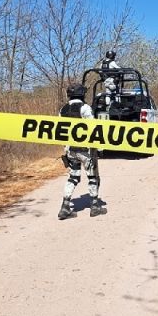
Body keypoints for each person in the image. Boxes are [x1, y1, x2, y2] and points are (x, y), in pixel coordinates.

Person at [57, 83, 106, 219]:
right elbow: (93, 128)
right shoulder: (85, 108)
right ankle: (95, 206)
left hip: (70, 149)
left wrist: (66, 148)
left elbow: (61, 130)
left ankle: (65, 206)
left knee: (73, 177)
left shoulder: (63, 109)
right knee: (93, 177)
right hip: (85, 150)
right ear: (82, 94)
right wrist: (100, 148)